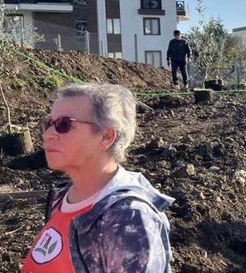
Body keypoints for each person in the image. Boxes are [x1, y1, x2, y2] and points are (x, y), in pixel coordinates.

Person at [21, 83, 174, 273]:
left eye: (64, 124)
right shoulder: (63, 199)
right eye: (48, 124)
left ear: (106, 136)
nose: (48, 134)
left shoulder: (127, 217)